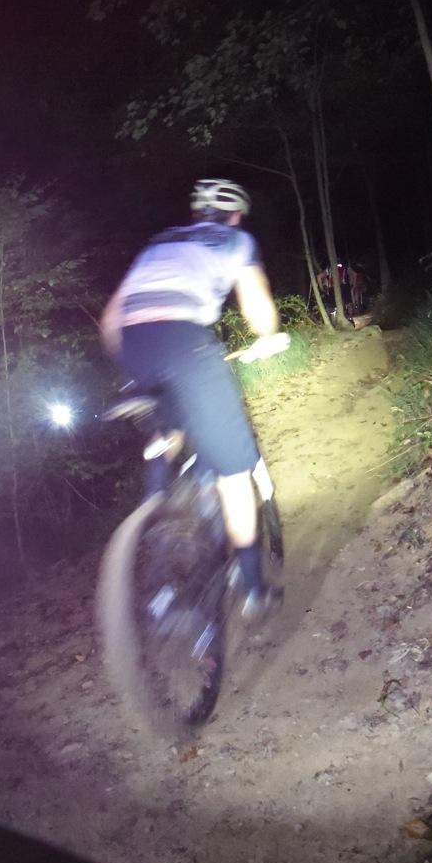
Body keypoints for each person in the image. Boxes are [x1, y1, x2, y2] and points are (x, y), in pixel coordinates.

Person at [100, 178, 284, 621]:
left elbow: (110, 320)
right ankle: (255, 590)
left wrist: (134, 372)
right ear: (235, 215)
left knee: (168, 431)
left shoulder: (159, 243)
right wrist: (269, 336)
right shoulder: (236, 240)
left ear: (196, 215)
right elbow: (258, 314)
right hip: (187, 345)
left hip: (133, 347)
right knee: (233, 473)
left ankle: (158, 511)